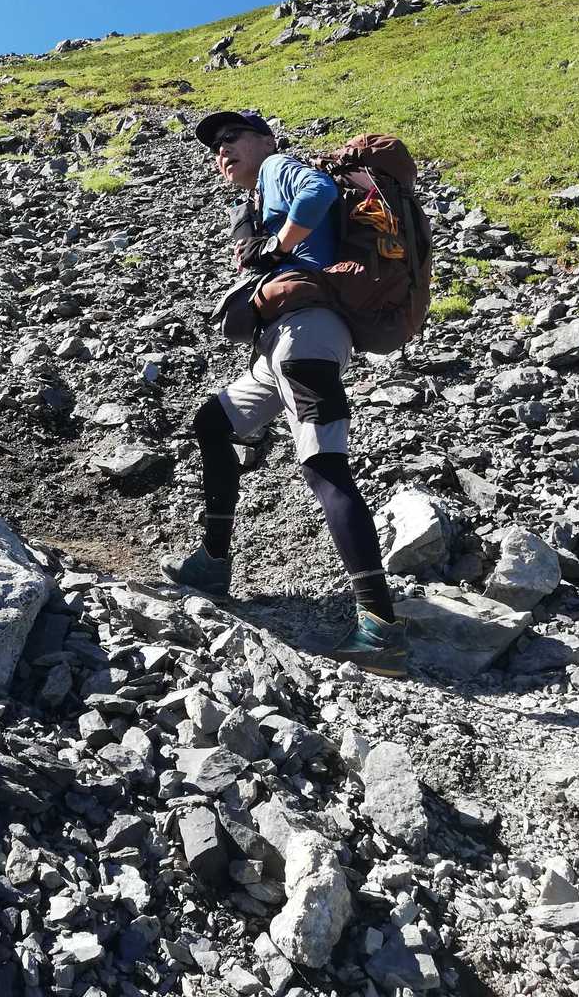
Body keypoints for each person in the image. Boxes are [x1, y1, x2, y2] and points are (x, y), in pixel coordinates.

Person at [160, 109, 408, 677]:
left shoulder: (277, 166)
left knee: (324, 466)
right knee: (213, 422)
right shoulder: (257, 193)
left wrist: (277, 246)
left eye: (232, 138)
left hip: (307, 336)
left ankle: (380, 627)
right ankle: (213, 561)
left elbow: (319, 191)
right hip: (281, 347)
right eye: (215, 147)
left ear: (265, 139)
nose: (222, 151)